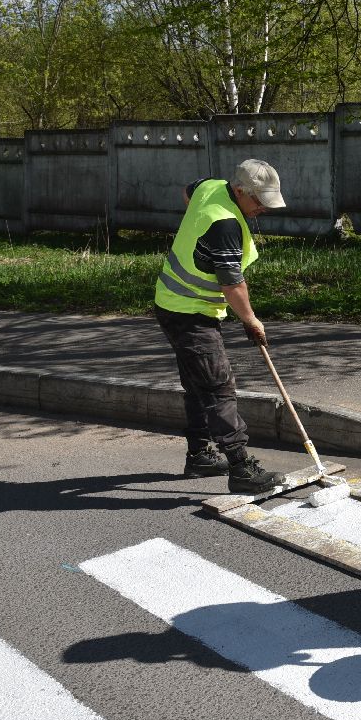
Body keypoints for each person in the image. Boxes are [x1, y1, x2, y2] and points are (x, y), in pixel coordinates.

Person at [153, 158, 285, 494]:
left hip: (172, 302)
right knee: (218, 387)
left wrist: (196, 232)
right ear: (239, 191)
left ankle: (199, 456)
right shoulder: (224, 224)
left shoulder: (210, 186)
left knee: (198, 385)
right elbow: (232, 284)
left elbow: (187, 192)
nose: (263, 208)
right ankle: (241, 469)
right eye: (259, 201)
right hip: (189, 311)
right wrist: (251, 320)